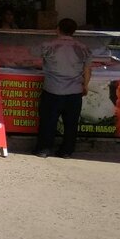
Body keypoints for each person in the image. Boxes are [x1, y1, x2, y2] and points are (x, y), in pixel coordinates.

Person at [36, 17, 91, 158]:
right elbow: (87, 70)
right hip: (74, 91)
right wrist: (85, 85)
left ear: (58, 29)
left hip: (52, 90)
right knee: (71, 124)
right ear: (74, 31)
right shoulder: (83, 48)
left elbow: (35, 61)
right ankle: (66, 151)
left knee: (48, 122)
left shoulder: (47, 46)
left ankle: (44, 149)